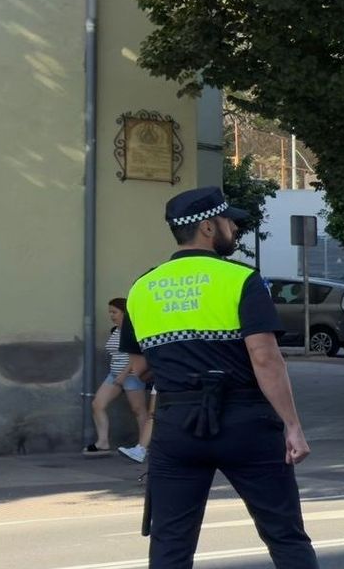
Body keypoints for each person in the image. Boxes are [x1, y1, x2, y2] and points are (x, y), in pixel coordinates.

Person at [119, 187, 319, 568]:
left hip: (177, 426)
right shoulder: (241, 279)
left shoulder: (142, 287)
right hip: (246, 422)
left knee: (170, 544)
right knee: (284, 534)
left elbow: (140, 367)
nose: (233, 228)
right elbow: (265, 358)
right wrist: (292, 425)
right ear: (209, 227)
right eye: (229, 221)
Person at [84, 298, 148, 456]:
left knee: (138, 410)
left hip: (131, 375)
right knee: (98, 404)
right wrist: (117, 374)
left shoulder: (134, 330)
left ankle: (143, 446)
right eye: (110, 312)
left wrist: (125, 373)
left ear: (125, 313)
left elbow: (137, 354)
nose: (111, 315)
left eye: (115, 312)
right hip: (114, 375)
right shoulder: (115, 331)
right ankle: (103, 442)